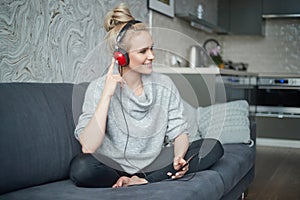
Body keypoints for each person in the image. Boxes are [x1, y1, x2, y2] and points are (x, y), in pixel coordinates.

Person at [69, 3, 224, 188]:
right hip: (113, 166)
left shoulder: (164, 84)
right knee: (81, 168)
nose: (151, 56)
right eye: (143, 51)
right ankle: (129, 179)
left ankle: (142, 181)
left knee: (213, 147)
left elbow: (180, 133)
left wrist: (179, 157)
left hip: (154, 164)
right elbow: (88, 147)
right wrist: (107, 94)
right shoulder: (98, 88)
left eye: (152, 48)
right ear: (122, 56)